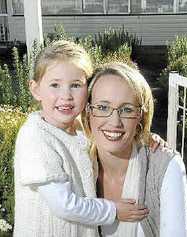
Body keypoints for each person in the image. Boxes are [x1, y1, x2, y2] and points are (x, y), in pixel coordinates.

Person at [13, 40, 150, 237]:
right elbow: (65, 205)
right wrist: (114, 210)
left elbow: (114, 133)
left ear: (89, 91)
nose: (66, 95)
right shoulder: (35, 137)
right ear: (36, 90)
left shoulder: (79, 127)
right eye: (55, 85)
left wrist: (146, 138)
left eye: (75, 85)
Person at [81, 62, 187, 236]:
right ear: (87, 111)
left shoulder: (165, 167)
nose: (115, 122)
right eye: (102, 107)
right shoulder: (76, 162)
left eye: (126, 109)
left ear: (141, 115)